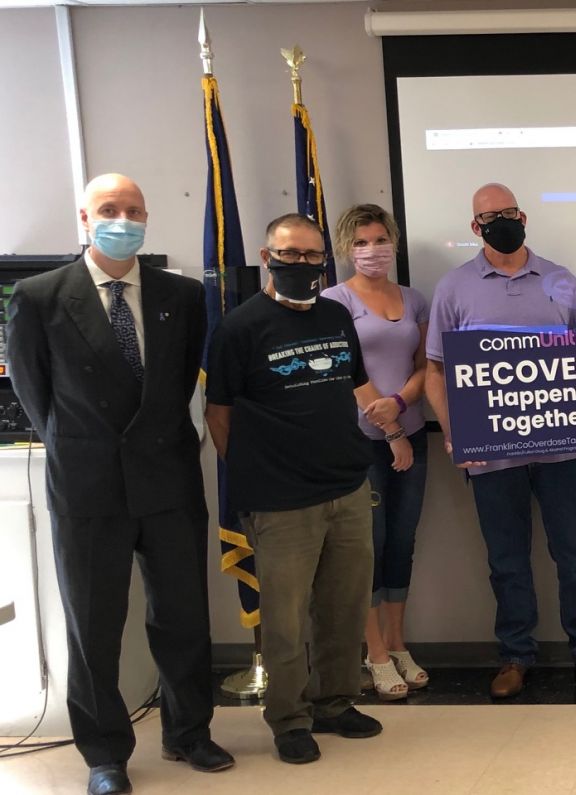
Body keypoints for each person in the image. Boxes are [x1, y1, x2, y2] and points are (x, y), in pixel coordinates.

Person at [5, 174, 232, 795]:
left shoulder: (181, 296)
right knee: (94, 624)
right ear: (85, 217)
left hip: (168, 480)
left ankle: (190, 733)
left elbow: (179, 382)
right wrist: (85, 448)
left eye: (133, 209)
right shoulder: (39, 295)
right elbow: (35, 396)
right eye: (110, 209)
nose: (123, 219)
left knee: (183, 616)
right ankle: (105, 754)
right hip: (87, 487)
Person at [423, 183, 576, 697]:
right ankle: (515, 655)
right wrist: (455, 434)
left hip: (562, 451)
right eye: (489, 215)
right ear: (475, 227)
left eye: (509, 212)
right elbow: (434, 369)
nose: (502, 220)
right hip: (492, 456)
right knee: (507, 560)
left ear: (524, 217)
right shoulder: (453, 288)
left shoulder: (561, 280)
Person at [204, 213, 385, 764]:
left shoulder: (335, 315)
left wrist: (392, 430)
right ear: (267, 257)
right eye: (290, 254)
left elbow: (354, 382)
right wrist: (260, 471)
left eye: (312, 257)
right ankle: (288, 718)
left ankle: (335, 703)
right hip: (280, 502)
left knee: (343, 607)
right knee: (284, 620)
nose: (301, 265)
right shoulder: (238, 327)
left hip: (347, 488)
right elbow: (218, 415)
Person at [323, 204, 432, 700]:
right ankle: (375, 653)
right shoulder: (333, 300)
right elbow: (342, 371)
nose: (373, 249)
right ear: (347, 247)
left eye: (380, 239)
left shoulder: (414, 298)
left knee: (400, 544)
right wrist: (389, 429)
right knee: (365, 546)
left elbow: (424, 365)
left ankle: (396, 641)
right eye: (362, 241)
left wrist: (401, 405)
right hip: (361, 444)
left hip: (412, 433)